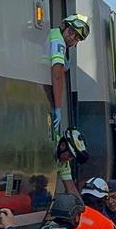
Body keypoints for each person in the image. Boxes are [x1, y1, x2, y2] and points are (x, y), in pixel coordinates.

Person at [49, 14, 90, 142]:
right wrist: (58, 107)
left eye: (77, 37)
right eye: (72, 32)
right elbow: (57, 75)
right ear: (64, 26)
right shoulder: (58, 42)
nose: (73, 37)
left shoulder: (54, 35)